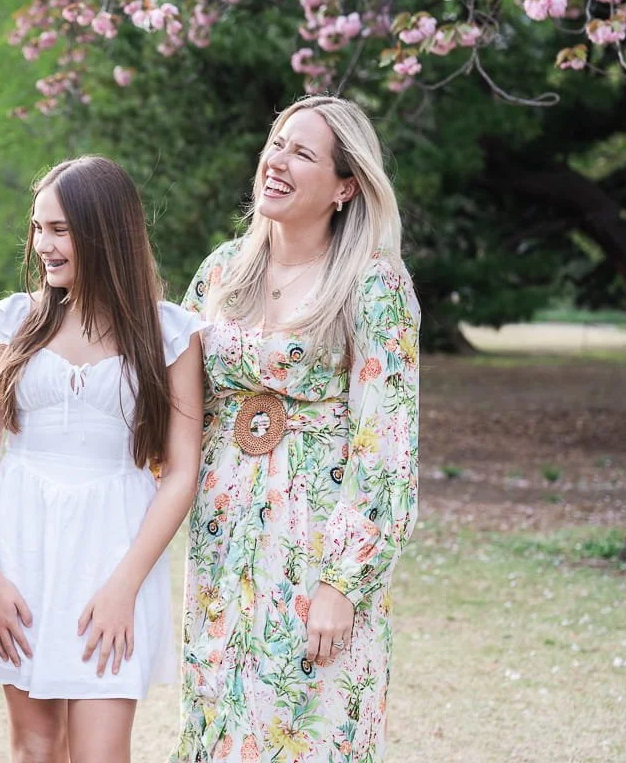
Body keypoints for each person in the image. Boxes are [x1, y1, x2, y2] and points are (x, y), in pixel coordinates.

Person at [172, 95, 420, 763]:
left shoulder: (373, 285)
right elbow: (172, 406)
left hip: (315, 555)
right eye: (277, 143)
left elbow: (386, 450)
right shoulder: (222, 271)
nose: (276, 161)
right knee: (222, 728)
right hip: (223, 551)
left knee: (313, 735)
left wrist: (343, 585)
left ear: (345, 185)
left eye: (302, 152)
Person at [0, 156, 206, 762]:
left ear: (105, 230)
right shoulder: (14, 323)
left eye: (60, 229)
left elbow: (182, 470)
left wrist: (124, 585)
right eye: (38, 228)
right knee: (36, 747)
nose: (43, 244)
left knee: (100, 753)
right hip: (20, 546)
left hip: (113, 550)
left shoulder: (169, 333)